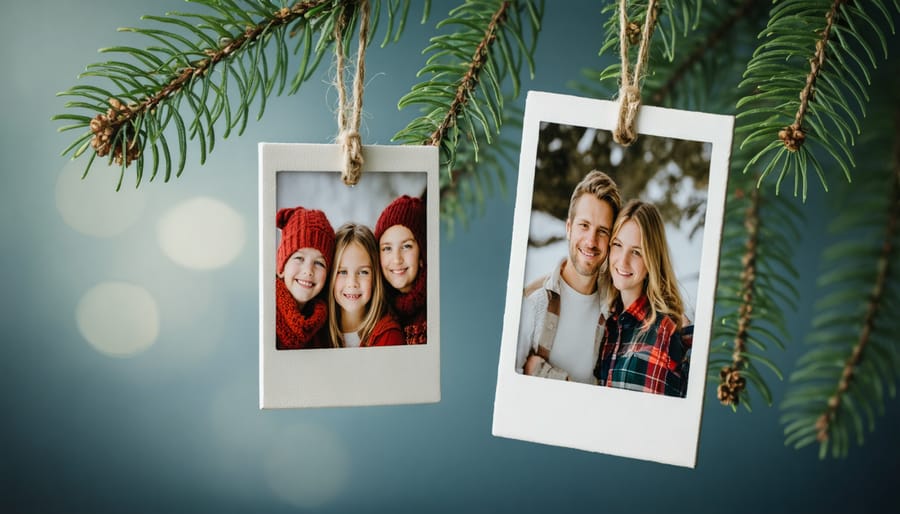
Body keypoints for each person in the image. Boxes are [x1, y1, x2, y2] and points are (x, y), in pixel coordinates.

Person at [515, 170, 622, 384]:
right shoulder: (531, 301)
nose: (591, 241)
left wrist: (546, 373)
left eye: (602, 231)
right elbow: (513, 386)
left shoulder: (614, 310)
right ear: (569, 228)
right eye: (584, 226)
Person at [594, 200, 690, 397]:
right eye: (618, 245)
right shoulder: (606, 326)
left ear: (651, 261)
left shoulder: (666, 330)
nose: (623, 261)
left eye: (636, 252)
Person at [328, 223, 404, 348]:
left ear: (375, 277)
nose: (352, 283)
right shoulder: (318, 333)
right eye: (342, 272)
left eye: (363, 272)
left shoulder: (389, 336)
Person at [275, 206, 335, 350]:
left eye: (319, 263)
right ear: (282, 267)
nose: (308, 271)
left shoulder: (324, 326)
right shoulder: (266, 314)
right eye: (299, 258)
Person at [374, 195, 427, 345]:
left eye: (406, 246)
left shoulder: (433, 308)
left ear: (422, 253)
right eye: (387, 248)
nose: (397, 259)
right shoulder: (376, 307)